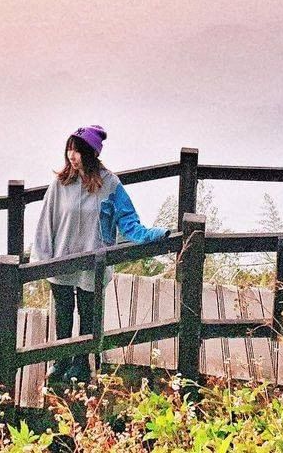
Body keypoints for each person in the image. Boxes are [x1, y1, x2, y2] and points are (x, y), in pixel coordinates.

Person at [31, 125, 167, 383]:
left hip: (93, 263)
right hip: (61, 259)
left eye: (79, 150)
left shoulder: (109, 184)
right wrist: (43, 261)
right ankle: (60, 360)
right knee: (62, 312)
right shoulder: (61, 184)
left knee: (87, 314)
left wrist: (152, 235)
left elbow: (128, 221)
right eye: (70, 148)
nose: (72, 155)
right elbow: (45, 223)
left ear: (91, 153)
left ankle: (81, 362)